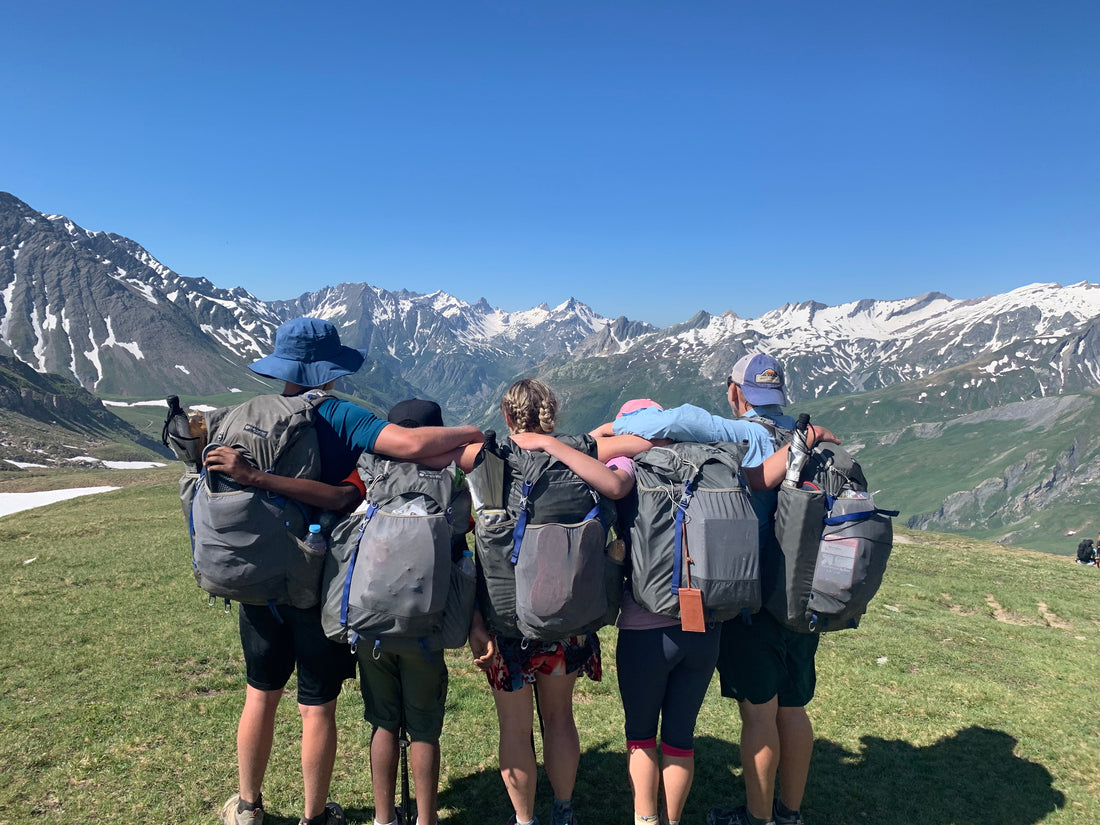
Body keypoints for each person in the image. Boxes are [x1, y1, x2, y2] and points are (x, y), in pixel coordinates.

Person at [203, 317, 484, 825]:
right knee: (316, 706)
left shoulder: (250, 414)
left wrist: (256, 477)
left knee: (260, 694)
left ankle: (247, 806)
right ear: (328, 370)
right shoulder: (339, 414)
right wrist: (473, 432)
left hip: (257, 578)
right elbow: (411, 446)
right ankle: (314, 816)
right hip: (320, 581)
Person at [608, 353, 830, 825]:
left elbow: (673, 420)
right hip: (804, 593)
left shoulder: (738, 433)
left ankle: (758, 817)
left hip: (751, 599)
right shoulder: (804, 436)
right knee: (793, 708)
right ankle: (789, 813)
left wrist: (605, 433)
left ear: (735, 392)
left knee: (760, 714)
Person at [451, 378, 652, 825]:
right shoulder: (583, 451)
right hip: (568, 614)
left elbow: (435, 452)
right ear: (552, 412)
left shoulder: (488, 456)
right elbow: (643, 443)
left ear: (507, 415)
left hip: (507, 618)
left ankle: (525, 819)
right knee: (560, 718)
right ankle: (564, 811)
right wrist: (586, 437)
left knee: (514, 728)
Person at [356, 398, 471, 825]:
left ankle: (383, 818)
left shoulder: (371, 472)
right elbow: (459, 540)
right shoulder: (450, 481)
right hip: (427, 622)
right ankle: (426, 819)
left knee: (383, 723)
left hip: (372, 621)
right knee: (424, 729)